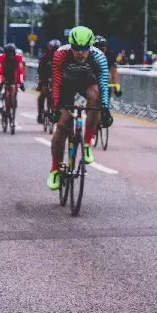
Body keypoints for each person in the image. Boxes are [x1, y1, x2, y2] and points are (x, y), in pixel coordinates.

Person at [47, 26, 113, 190]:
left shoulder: (99, 57)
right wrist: (55, 107)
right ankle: (55, 169)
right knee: (62, 126)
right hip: (66, 89)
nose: (80, 53)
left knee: (95, 96)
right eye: (76, 48)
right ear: (70, 46)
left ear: (90, 46)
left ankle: (86, 143)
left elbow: (104, 84)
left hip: (86, 87)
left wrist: (105, 109)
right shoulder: (60, 55)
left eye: (84, 48)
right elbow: (56, 83)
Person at [0, 43, 25, 114]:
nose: (11, 56)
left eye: (13, 54)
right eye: (9, 54)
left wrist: (21, 82)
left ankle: (13, 100)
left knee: (14, 89)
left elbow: (20, 71)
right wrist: (0, 82)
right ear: (5, 54)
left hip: (13, 74)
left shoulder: (18, 58)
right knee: (0, 86)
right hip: (4, 73)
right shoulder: (0, 58)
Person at [36, 39, 61, 123]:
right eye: (53, 49)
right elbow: (40, 70)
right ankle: (40, 114)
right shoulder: (45, 57)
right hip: (45, 78)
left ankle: (56, 112)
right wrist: (43, 83)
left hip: (57, 78)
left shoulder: (62, 57)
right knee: (42, 94)